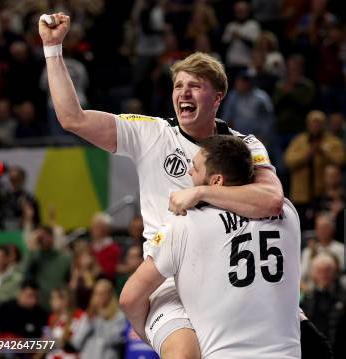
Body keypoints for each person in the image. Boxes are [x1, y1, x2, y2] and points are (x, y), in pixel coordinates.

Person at [39, 12, 290, 358]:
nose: (183, 93)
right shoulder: (152, 134)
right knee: (185, 354)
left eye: (195, 86)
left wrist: (199, 192)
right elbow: (72, 118)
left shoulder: (244, 145)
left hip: (227, 279)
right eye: (178, 86)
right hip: (166, 281)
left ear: (217, 98)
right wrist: (53, 49)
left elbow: (271, 199)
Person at [120, 136, 301, 358]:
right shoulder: (289, 214)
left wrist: (151, 335)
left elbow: (129, 299)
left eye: (195, 168)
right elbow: (270, 199)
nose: (189, 173)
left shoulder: (183, 225)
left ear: (216, 181)